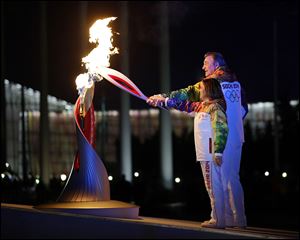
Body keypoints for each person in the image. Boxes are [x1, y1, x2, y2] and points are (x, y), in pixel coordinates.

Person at [147, 52, 248, 228]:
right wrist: (164, 102)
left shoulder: (212, 83)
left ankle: (219, 218)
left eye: (206, 62)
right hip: (235, 136)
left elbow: (188, 95)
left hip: (216, 137)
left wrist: (164, 98)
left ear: (216, 64)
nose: (203, 67)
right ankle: (237, 218)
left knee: (215, 179)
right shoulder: (236, 84)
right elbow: (243, 109)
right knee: (231, 178)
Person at [148, 78, 229, 228]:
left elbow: (221, 129)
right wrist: (161, 100)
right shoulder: (202, 106)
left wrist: (218, 151)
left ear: (210, 90)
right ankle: (218, 217)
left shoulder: (215, 107)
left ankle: (219, 219)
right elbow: (183, 104)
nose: (200, 90)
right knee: (210, 186)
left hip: (210, 153)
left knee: (213, 185)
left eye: (202, 88)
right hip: (204, 153)